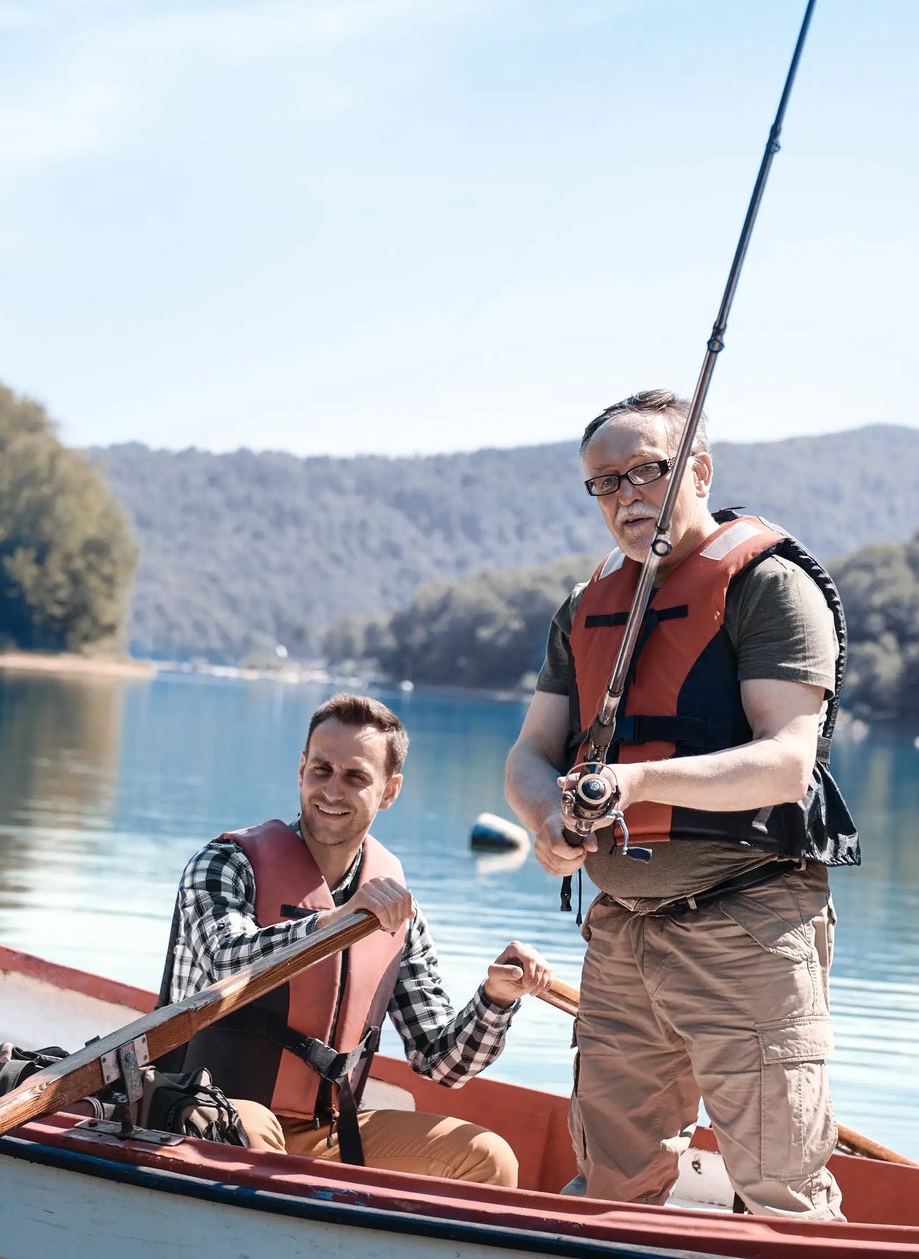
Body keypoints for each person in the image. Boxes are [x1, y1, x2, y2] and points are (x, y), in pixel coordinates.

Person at [502, 389, 861, 1219]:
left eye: (647, 471)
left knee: (782, 1192)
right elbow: (530, 753)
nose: (626, 496)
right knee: (609, 1185)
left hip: (746, 925)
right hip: (622, 930)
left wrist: (637, 783)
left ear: (698, 468)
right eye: (604, 482)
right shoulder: (586, 604)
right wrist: (544, 820)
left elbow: (785, 762)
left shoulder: (768, 587)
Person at [162, 692, 554, 1187]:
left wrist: (496, 1000)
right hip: (200, 1108)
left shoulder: (395, 909)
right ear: (301, 768)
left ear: (390, 791)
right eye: (321, 769)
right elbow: (227, 965)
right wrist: (335, 924)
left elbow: (440, 1063)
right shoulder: (224, 865)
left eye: (355, 777)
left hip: (326, 1131)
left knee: (487, 1157)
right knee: (254, 1137)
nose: (331, 790)